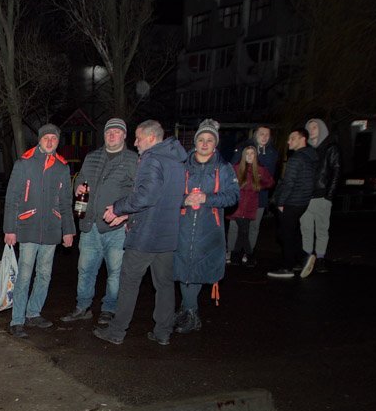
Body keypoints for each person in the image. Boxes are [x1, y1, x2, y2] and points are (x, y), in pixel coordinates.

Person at [92, 120, 187, 346]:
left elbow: (146, 196)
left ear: (151, 138)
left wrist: (118, 208)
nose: (135, 143)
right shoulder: (176, 160)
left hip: (145, 235)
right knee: (164, 285)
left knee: (128, 283)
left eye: (138, 138)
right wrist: (128, 214)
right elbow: (162, 198)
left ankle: (116, 331)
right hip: (167, 235)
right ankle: (163, 332)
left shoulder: (151, 159)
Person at [62, 117, 138, 327]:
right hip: (90, 225)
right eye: (108, 132)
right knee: (85, 269)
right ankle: (83, 307)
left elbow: (139, 193)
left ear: (124, 135)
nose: (111, 135)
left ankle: (109, 309)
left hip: (116, 228)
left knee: (115, 272)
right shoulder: (92, 156)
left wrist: (127, 215)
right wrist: (77, 187)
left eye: (116, 132)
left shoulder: (133, 160)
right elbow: (80, 179)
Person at [2, 123, 74, 338]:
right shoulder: (24, 163)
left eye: (54, 138)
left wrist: (68, 230)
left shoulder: (62, 167)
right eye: (46, 138)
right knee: (24, 276)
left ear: (58, 141)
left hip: (52, 230)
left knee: (44, 275)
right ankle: (17, 320)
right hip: (28, 227)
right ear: (39, 140)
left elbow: (66, 201)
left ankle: (33, 312)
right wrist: (10, 229)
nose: (50, 142)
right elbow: (12, 198)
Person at [174, 119, 239, 335]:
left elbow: (233, 196)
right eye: (201, 139)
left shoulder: (224, 168)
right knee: (182, 267)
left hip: (209, 228)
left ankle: (190, 312)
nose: (204, 143)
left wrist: (207, 198)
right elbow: (169, 194)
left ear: (215, 144)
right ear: (195, 142)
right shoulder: (183, 166)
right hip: (183, 226)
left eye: (209, 140)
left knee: (198, 268)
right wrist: (184, 200)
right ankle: (187, 310)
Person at [267, 128, 318, 279]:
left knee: (286, 234)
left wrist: (281, 202)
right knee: (291, 232)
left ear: (303, 139)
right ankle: (299, 260)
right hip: (302, 201)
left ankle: (289, 266)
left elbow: (289, 183)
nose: (288, 141)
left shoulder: (296, 158)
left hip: (291, 201)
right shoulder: (311, 156)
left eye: (292, 138)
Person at [229, 125, 278, 266]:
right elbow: (232, 170)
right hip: (240, 198)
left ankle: (246, 253)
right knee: (236, 227)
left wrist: (259, 183)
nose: (264, 137)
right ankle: (232, 251)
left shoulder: (272, 153)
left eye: (267, 134)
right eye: (261, 133)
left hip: (258, 198)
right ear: (256, 135)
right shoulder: (244, 148)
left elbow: (270, 178)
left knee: (253, 227)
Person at [302, 118, 341, 275]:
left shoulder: (330, 148)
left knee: (322, 229)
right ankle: (307, 257)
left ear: (322, 129)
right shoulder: (305, 149)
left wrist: (329, 195)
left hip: (322, 196)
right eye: (309, 128)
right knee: (306, 228)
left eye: (315, 127)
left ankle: (320, 258)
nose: (311, 130)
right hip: (305, 197)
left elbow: (336, 171)